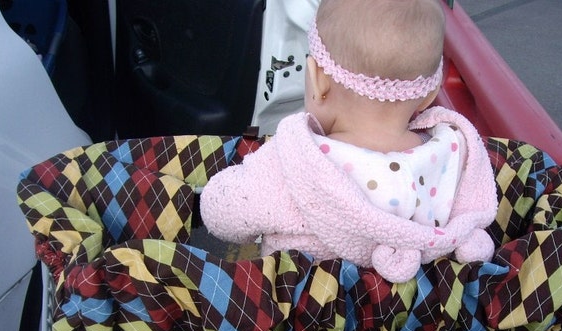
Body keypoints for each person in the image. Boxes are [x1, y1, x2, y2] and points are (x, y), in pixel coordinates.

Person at [201, 0, 498, 283]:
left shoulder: (294, 162)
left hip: (310, 327)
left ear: (317, 79)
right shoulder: (454, 155)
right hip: (412, 328)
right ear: (430, 94)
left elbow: (221, 214)